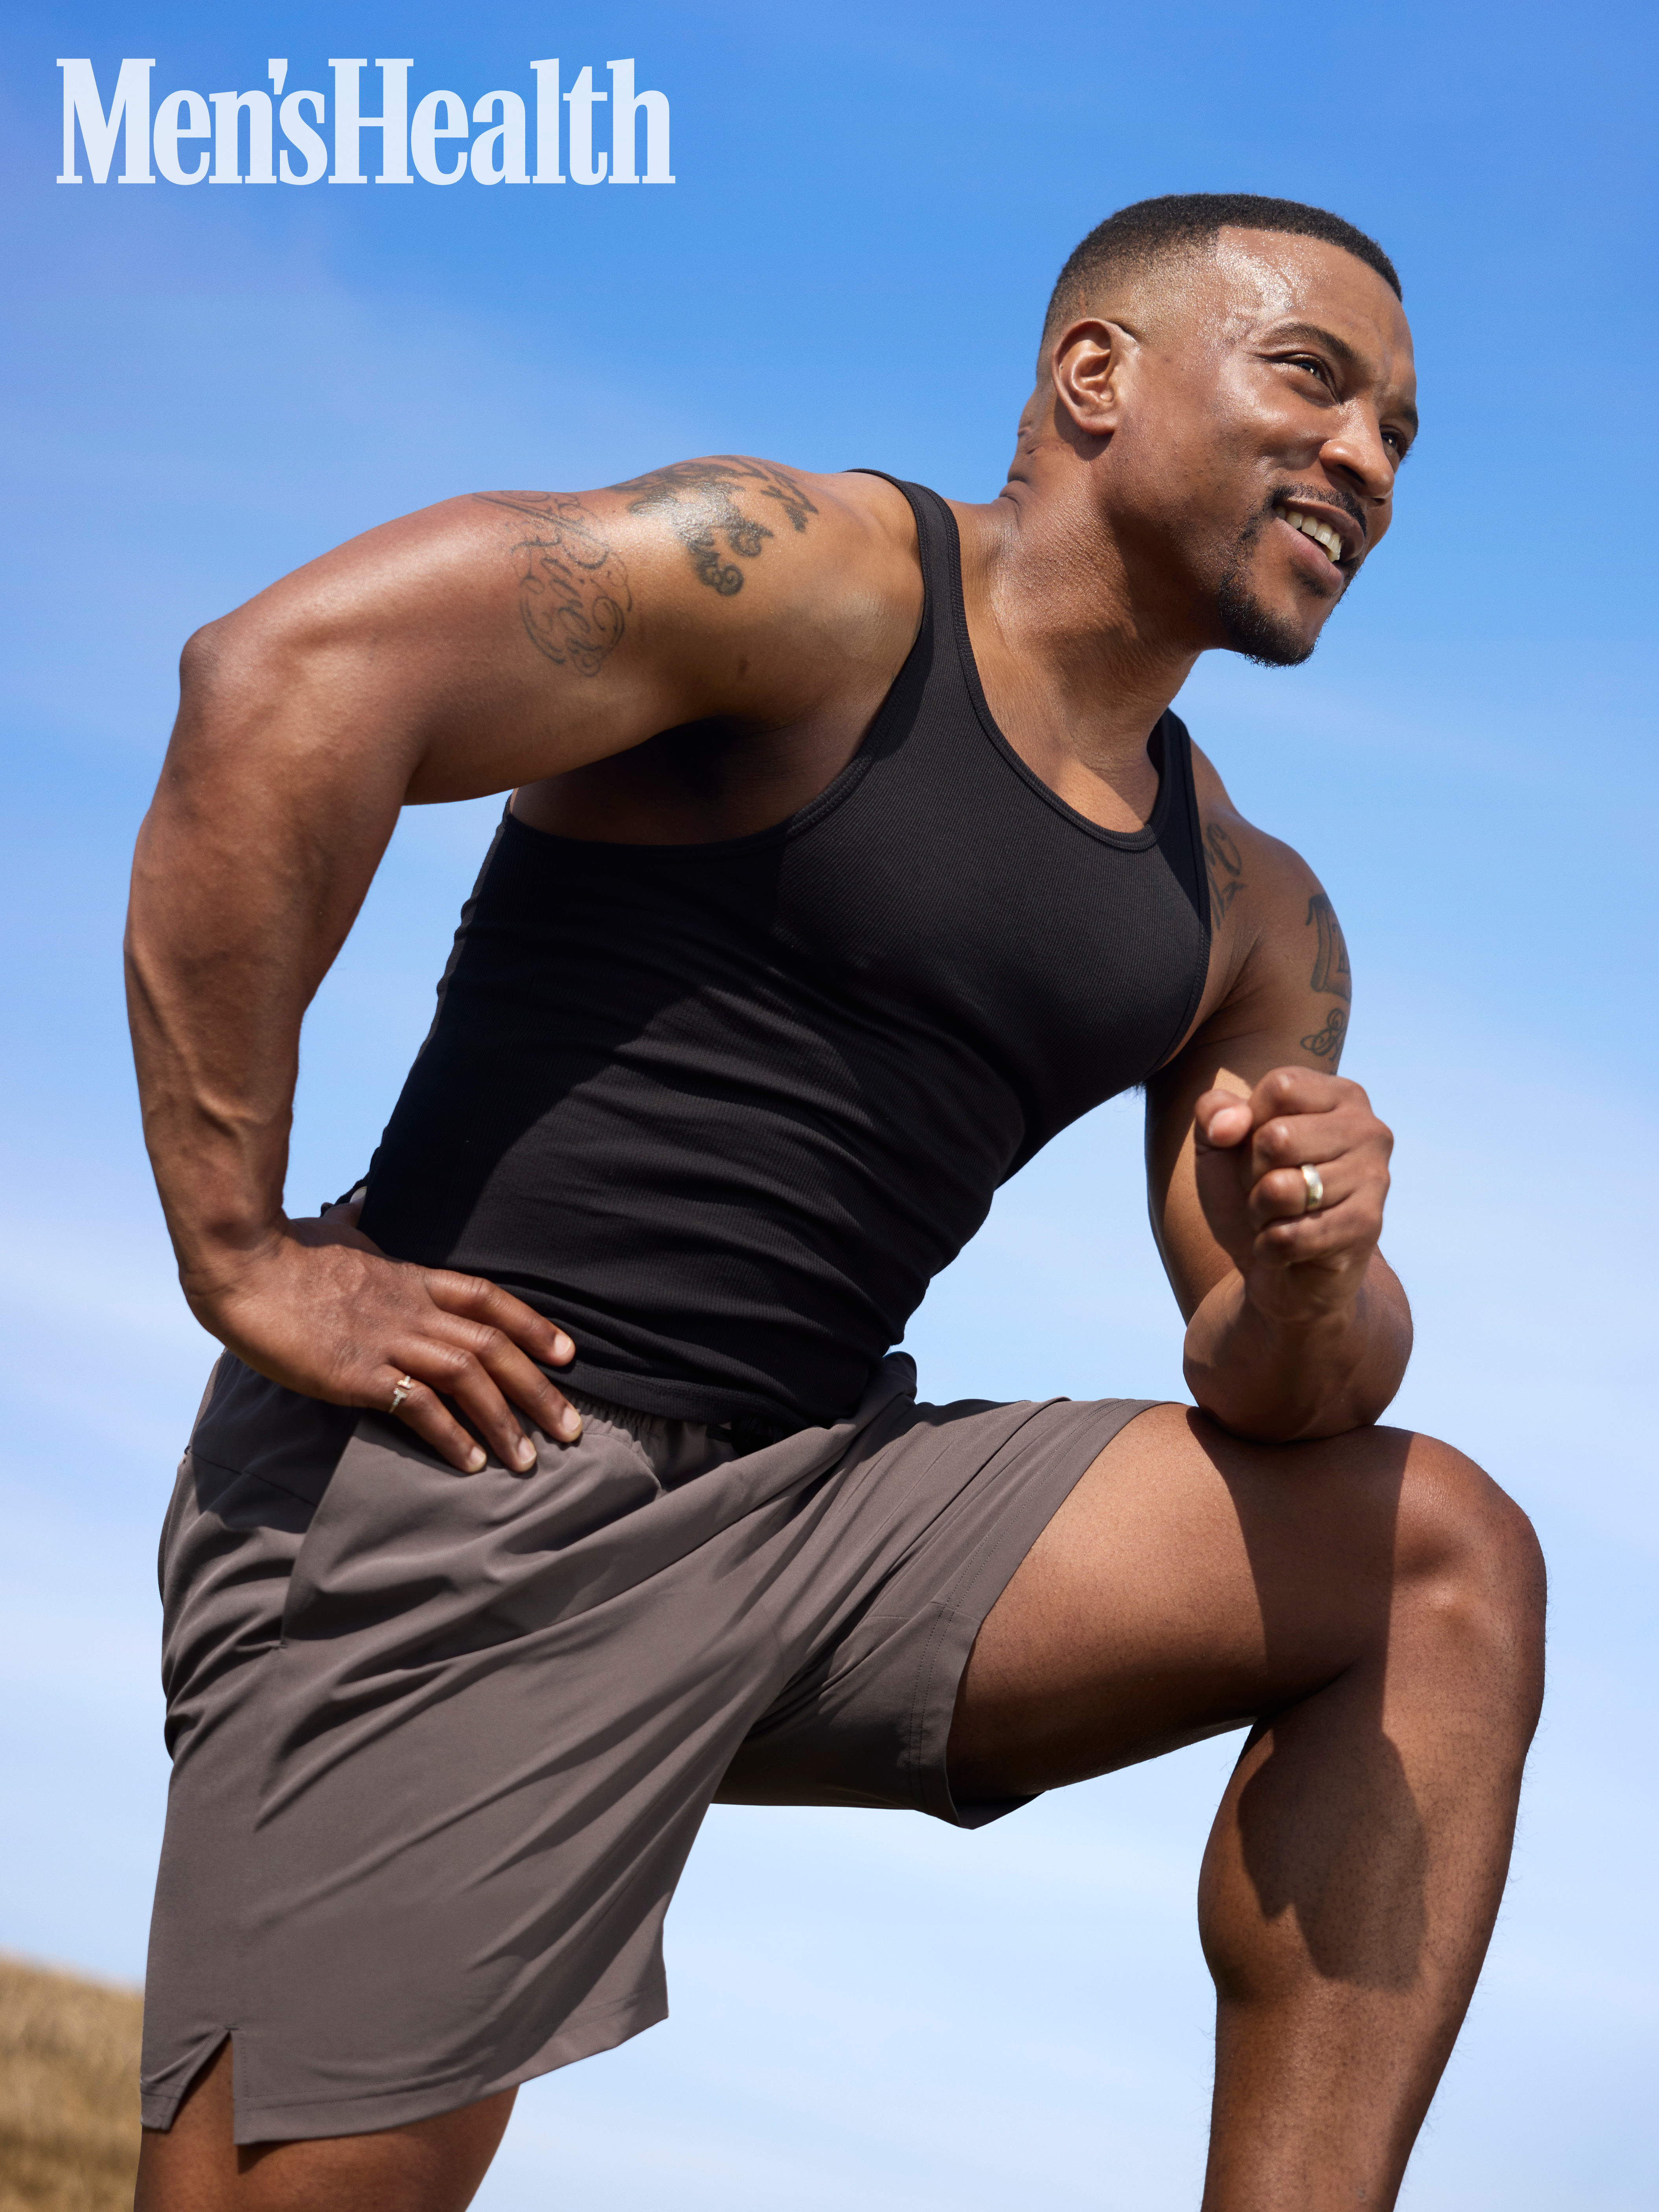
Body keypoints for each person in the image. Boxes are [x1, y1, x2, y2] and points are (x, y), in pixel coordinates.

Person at [125, 192, 1544, 2212]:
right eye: (1314, 382)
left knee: (1440, 1564)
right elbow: (280, 682)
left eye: (1404, 434)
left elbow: (1277, 1385)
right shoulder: (810, 583)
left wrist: (1319, 1281)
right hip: (478, 1458)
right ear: (1097, 377)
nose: (1369, 462)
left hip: (808, 1502)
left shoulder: (1248, 908)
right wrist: (243, 1249)